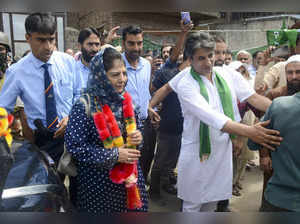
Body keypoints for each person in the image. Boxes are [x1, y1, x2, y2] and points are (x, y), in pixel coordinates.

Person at [149, 32, 282, 212]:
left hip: (221, 150)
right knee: (193, 204)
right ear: (190, 59)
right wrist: (250, 132)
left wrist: (285, 109)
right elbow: (211, 116)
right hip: (198, 152)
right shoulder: (186, 82)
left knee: (212, 201)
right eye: (201, 58)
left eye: (210, 56)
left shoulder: (226, 73)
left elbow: (254, 98)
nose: (208, 62)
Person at [65, 47, 148, 213]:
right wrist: (114, 155)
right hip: (99, 187)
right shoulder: (84, 105)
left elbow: (138, 130)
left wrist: (138, 137)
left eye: (124, 73)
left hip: (130, 179)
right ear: (101, 75)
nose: (122, 79)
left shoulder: (127, 101)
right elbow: (74, 146)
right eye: (115, 74)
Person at [0, 13, 81, 164]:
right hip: (44, 140)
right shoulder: (17, 72)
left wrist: (72, 117)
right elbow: (3, 110)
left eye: (51, 39)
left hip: (75, 132)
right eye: (41, 40)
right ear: (28, 38)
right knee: (50, 184)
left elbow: (80, 95)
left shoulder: (68, 62)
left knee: (78, 185)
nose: (48, 47)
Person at [248, 55, 300, 212]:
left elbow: (253, 139)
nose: (294, 77)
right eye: (290, 73)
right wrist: (264, 155)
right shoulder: (276, 95)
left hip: (281, 196)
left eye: (298, 72)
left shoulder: (278, 105)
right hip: (279, 187)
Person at [149, 49, 190, 201]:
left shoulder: (192, 78)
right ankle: (153, 191)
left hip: (181, 127)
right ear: (188, 60)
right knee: (160, 160)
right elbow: (155, 91)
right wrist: (153, 106)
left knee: (172, 160)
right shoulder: (170, 74)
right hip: (166, 124)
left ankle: (165, 183)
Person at [121, 25, 153, 180]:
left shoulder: (146, 65)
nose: (136, 47)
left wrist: (149, 107)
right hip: (125, 126)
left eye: (139, 43)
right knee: (127, 168)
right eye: (131, 43)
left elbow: (144, 91)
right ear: (123, 44)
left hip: (145, 123)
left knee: (145, 160)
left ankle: (141, 194)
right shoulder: (116, 65)